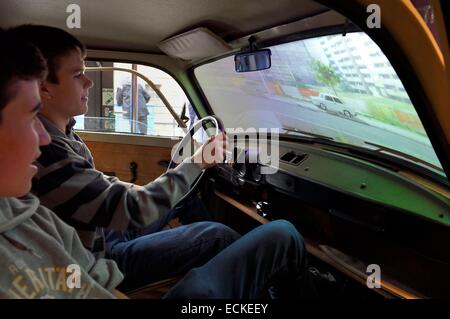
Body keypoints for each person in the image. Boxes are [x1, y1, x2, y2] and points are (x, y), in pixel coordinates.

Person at [12, 24, 315, 298]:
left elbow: (102, 200)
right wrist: (196, 163)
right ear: (45, 87)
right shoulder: (50, 153)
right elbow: (132, 208)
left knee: (186, 203)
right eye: (78, 74)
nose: (89, 83)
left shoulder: (65, 137)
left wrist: (188, 169)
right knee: (273, 233)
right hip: (105, 256)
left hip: (101, 242)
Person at [0, 28, 124, 299]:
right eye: (30, 117)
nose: (43, 139)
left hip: (106, 243)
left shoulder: (35, 217)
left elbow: (97, 282)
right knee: (214, 235)